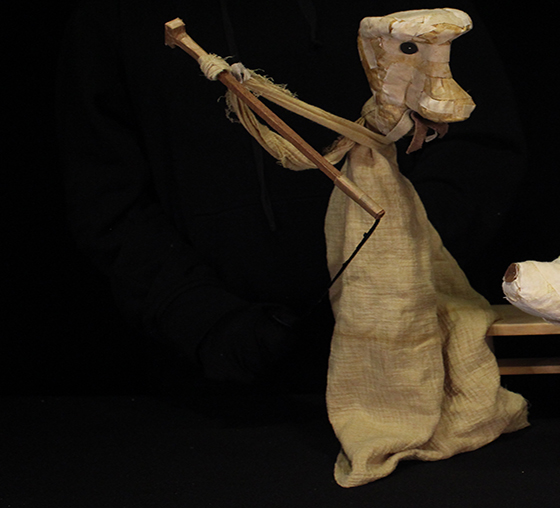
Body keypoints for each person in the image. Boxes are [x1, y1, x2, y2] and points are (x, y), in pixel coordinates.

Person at [57, 0, 526, 391]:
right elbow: (105, 192)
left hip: (417, 351)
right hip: (207, 385)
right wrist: (203, 318)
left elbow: (479, 145)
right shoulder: (118, 14)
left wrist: (397, 269)